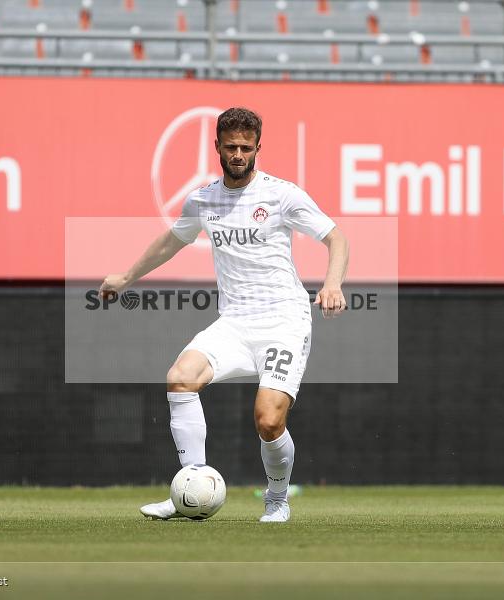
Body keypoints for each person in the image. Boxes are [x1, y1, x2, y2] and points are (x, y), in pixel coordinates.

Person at [99, 107, 348, 522]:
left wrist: (333, 283)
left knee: (268, 421)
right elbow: (171, 242)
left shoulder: (281, 195)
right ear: (216, 146)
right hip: (233, 323)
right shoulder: (203, 198)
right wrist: (125, 277)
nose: (238, 154)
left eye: (246, 148)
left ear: (257, 149)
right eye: (230, 146)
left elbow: (335, 237)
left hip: (284, 321)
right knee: (180, 377)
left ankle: (277, 498)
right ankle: (190, 486)